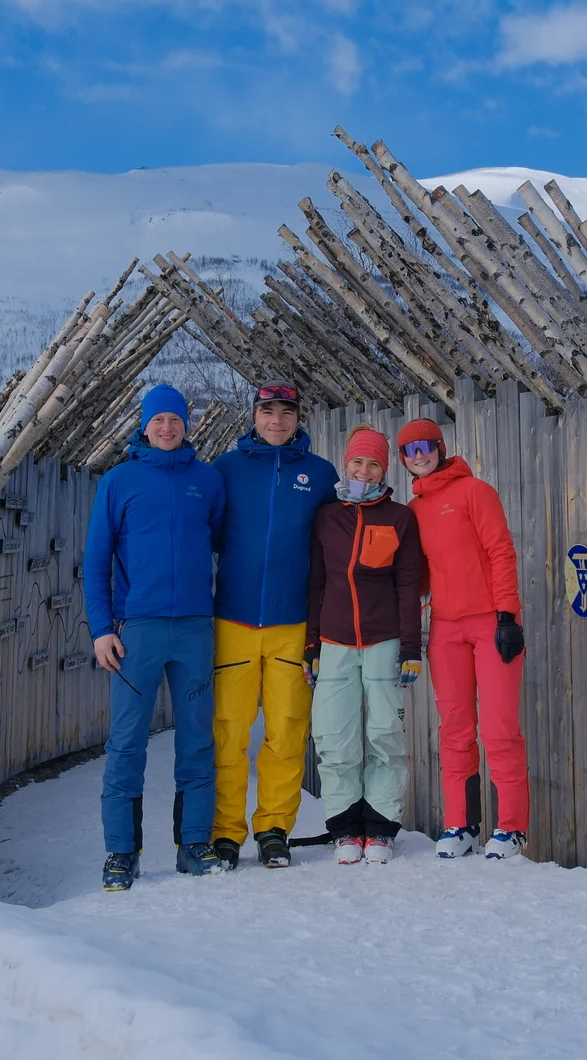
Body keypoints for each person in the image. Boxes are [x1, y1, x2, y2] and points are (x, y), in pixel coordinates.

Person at [84, 383, 227, 891]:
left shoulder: (207, 482)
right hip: (135, 633)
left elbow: (216, 540)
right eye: (158, 420)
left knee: (197, 741)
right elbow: (96, 561)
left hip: (193, 629)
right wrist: (102, 629)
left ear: (187, 425)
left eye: (176, 420)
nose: (167, 428)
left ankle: (193, 844)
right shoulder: (118, 482)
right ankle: (122, 852)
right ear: (144, 425)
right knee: (126, 744)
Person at [207, 381, 337, 870]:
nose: (276, 421)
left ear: (297, 417)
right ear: (254, 416)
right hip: (234, 620)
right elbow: (212, 535)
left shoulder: (320, 474)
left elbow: (331, 549)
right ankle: (225, 832)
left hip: (293, 623)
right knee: (229, 731)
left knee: (286, 730)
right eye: (268, 412)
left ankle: (274, 827)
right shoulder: (226, 469)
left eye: (286, 412)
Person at [395, 418, 529, 861]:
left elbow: (500, 550)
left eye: (425, 446)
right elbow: (417, 577)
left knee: (498, 729)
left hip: (490, 623)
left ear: (439, 447)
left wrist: (508, 614)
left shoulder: (475, 491)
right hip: (446, 629)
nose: (419, 455)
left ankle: (511, 828)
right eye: (409, 451)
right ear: (403, 460)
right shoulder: (414, 512)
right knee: (454, 730)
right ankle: (461, 824)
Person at [305, 424, 425, 865]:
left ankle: (379, 828)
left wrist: (411, 648)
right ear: (345, 463)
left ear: (384, 469)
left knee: (384, 736)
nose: (363, 469)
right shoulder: (327, 516)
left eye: (373, 463)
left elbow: (409, 584)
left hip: (385, 641)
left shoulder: (400, 518)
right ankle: (343, 828)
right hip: (333, 642)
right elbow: (316, 583)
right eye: (357, 461)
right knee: (334, 738)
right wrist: (310, 646)